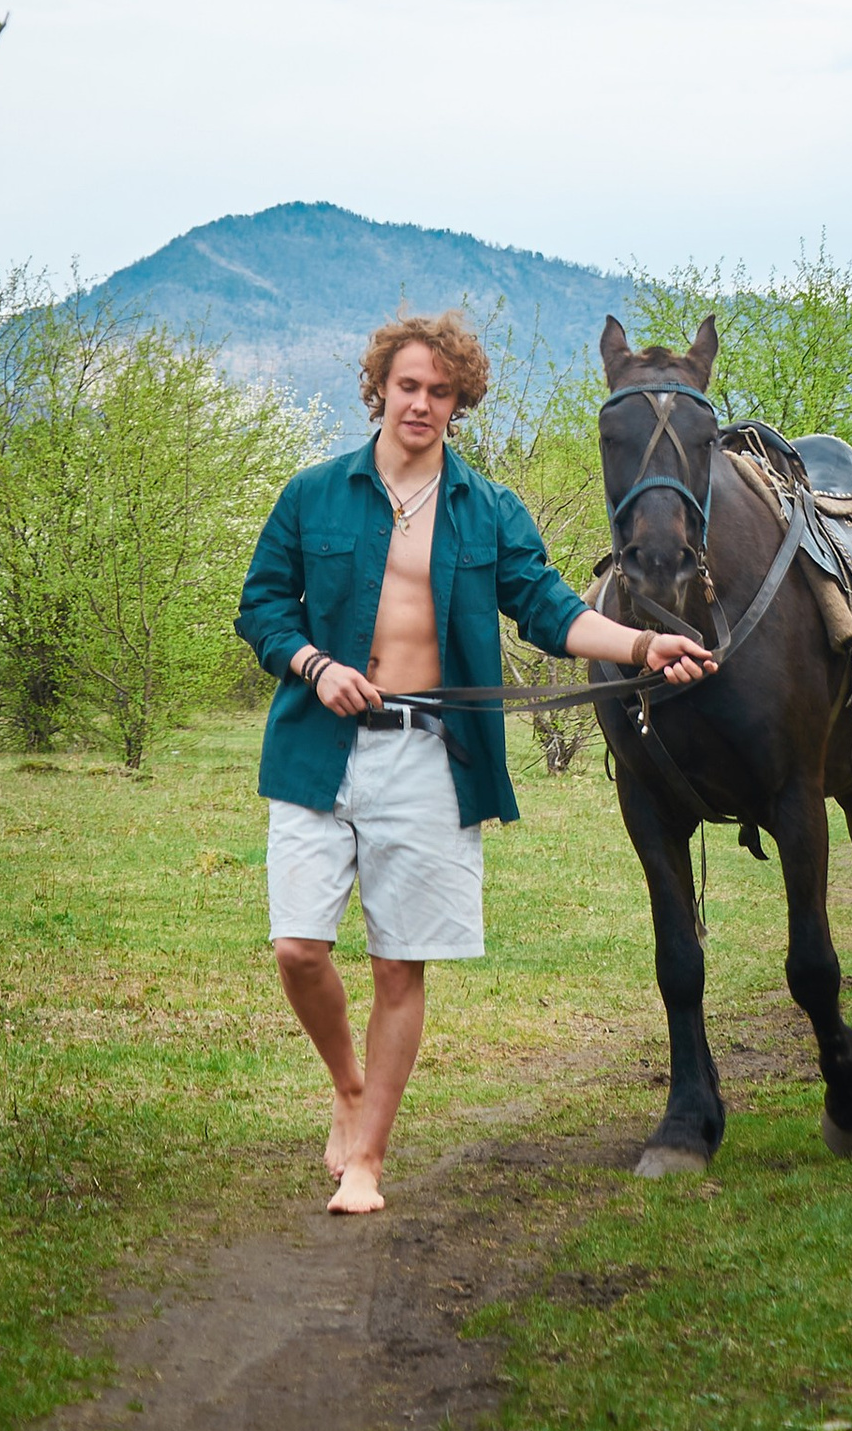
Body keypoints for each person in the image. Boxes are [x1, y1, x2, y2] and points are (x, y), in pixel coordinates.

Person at [235, 308, 713, 1213]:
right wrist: (316, 665)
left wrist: (644, 645)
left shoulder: (488, 509)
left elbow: (551, 609)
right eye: (408, 386)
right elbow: (262, 607)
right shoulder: (313, 494)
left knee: (398, 964)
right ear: (380, 388)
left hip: (431, 755)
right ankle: (347, 1084)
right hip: (316, 747)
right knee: (298, 949)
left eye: (440, 391)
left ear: (460, 403)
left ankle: (368, 1160)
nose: (421, 403)